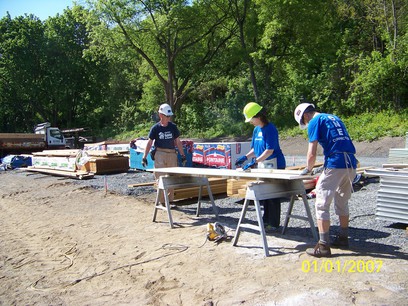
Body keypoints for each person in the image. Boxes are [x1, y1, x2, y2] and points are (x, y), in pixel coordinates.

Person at [294, 102, 357, 258]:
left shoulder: (314, 121)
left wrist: (308, 169)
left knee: (321, 203)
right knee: (342, 201)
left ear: (306, 116)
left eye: (304, 122)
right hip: (350, 162)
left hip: (335, 163)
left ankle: (323, 246)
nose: (306, 124)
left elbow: (312, 151)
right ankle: (343, 238)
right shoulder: (334, 117)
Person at [235, 102, 286, 231]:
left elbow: (270, 150)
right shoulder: (256, 129)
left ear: (258, 116)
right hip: (263, 164)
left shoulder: (270, 129)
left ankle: (273, 224)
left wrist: (255, 162)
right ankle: (265, 220)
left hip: (275, 164)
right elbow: (255, 149)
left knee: (273, 195)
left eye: (251, 119)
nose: (250, 122)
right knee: (264, 193)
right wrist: (245, 157)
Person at [142, 103, 186, 204]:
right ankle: (162, 202)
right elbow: (149, 142)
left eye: (169, 116)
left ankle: (170, 201)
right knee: (160, 179)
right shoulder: (155, 128)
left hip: (171, 154)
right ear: (161, 115)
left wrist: (183, 155)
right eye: (167, 116)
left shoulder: (173, 127)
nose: (169, 118)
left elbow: (178, 141)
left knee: (172, 178)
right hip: (160, 154)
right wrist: (144, 157)